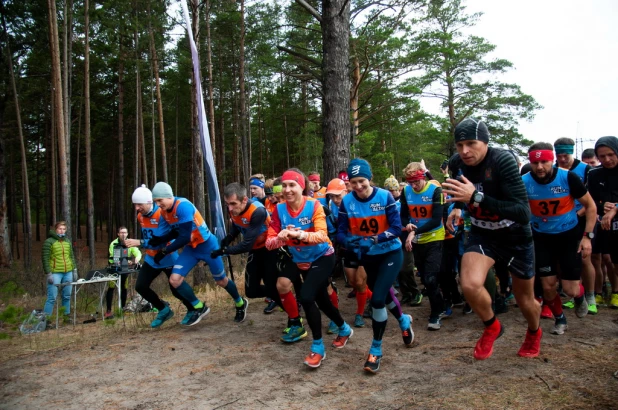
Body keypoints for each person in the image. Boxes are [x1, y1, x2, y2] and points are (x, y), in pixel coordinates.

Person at [443, 118, 542, 360]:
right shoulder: (458, 163)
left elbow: (523, 212)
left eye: (471, 143)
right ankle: (492, 326)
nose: (464, 151)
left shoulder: (502, 160)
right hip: (483, 233)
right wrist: (458, 208)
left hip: (515, 235)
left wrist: (476, 198)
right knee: (469, 284)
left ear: (485, 142)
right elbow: (462, 195)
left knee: (525, 300)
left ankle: (534, 331)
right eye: (459, 145)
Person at [266, 168, 352, 368]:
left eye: (292, 185)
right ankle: (344, 328)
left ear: (301, 186)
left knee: (306, 296)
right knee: (322, 301)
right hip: (301, 260)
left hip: (323, 256)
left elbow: (323, 235)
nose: (287, 190)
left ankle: (317, 347)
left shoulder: (314, 205)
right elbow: (269, 242)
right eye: (284, 186)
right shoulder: (278, 210)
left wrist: (300, 235)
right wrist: (280, 238)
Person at [338, 159, 413, 373]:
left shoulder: (384, 196)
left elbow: (397, 228)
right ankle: (404, 322)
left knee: (378, 298)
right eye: (354, 183)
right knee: (385, 295)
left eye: (362, 181)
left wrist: (375, 239)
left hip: (390, 252)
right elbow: (341, 232)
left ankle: (375, 349)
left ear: (369, 178)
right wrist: (347, 241)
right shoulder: (347, 202)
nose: (359, 186)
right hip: (367, 256)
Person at [522, 142, 596, 335]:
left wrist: (587, 237)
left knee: (570, 289)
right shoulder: (524, 181)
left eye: (544, 162)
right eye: (535, 162)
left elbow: (591, 206)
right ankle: (559, 318)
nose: (539, 167)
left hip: (568, 236)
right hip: (541, 237)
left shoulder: (568, 177)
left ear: (552, 160)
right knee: (547, 286)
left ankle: (579, 296)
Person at [150, 182, 248, 324]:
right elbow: (175, 231)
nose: (158, 204)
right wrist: (160, 240)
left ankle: (240, 303)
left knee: (221, 281)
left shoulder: (183, 206)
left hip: (207, 246)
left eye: (160, 200)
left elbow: (183, 236)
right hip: (191, 248)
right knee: (174, 280)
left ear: (169, 196)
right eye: (155, 201)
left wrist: (165, 251)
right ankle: (199, 307)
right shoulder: (165, 212)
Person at [124, 185, 196, 328]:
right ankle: (164, 310)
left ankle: (193, 309)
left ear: (149, 202)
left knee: (176, 289)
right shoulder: (140, 216)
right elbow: (149, 235)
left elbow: (166, 237)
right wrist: (144, 243)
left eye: (140, 204)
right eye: (135, 205)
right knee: (141, 286)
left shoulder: (162, 214)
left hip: (167, 256)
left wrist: (140, 242)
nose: (137, 208)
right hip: (151, 258)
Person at [212, 183, 280, 315]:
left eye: (233, 204)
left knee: (271, 285)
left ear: (244, 200)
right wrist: (229, 237)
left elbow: (246, 244)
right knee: (251, 292)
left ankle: (293, 316)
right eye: (227, 204)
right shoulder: (233, 208)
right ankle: (280, 294)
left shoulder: (257, 211)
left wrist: (223, 251)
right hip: (255, 250)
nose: (230, 208)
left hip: (269, 250)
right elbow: (237, 225)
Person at [400, 162, 447, 330]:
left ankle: (436, 313)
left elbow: (436, 220)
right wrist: (408, 226)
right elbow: (404, 216)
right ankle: (441, 303)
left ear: (423, 178)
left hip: (434, 237)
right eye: (410, 182)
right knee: (425, 278)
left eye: (416, 182)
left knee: (430, 277)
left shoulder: (435, 190)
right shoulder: (406, 191)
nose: (414, 186)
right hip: (417, 240)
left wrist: (414, 231)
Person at [553, 138, 597, 314]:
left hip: (582, 218)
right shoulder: (553, 170)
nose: (562, 159)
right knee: (565, 259)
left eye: (566, 155)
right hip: (561, 222)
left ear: (572, 152)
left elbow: (591, 200)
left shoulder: (585, 170)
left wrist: (579, 213)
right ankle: (574, 293)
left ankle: (591, 295)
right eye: (559, 155)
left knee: (585, 258)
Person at [587, 136, 618, 309]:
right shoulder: (594, 174)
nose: (607, 159)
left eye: (611, 154)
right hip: (603, 224)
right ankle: (600, 293)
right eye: (602, 156)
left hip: (613, 221)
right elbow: (590, 201)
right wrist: (601, 205)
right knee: (601, 258)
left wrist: (615, 208)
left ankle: (615, 292)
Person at [42, 221, 77, 318]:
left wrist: (74, 270)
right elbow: (45, 258)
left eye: (63, 229)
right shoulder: (49, 242)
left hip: (68, 272)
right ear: (56, 229)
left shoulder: (67, 241)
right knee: (52, 297)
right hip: (55, 273)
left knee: (67, 296)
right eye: (60, 229)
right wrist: (48, 273)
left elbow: (71, 256)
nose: (62, 231)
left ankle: (66, 317)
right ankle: (46, 320)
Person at [105, 226, 142, 318]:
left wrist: (137, 259)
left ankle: (122, 308)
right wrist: (125, 261)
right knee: (111, 287)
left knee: (124, 287)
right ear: (118, 234)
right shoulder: (113, 243)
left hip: (125, 270)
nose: (123, 234)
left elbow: (137, 252)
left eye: (125, 232)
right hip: (114, 269)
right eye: (121, 232)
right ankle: (108, 310)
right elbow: (114, 257)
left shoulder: (130, 243)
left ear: (127, 234)